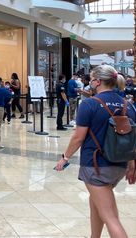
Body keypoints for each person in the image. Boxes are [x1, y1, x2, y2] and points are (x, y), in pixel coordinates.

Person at [55, 65, 136, 238]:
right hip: (118, 165)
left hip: (96, 166)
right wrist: (131, 164)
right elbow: (130, 138)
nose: (90, 82)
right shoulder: (128, 105)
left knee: (111, 218)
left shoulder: (90, 104)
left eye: (92, 79)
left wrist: (65, 157)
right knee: (96, 204)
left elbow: (78, 137)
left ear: (98, 81)